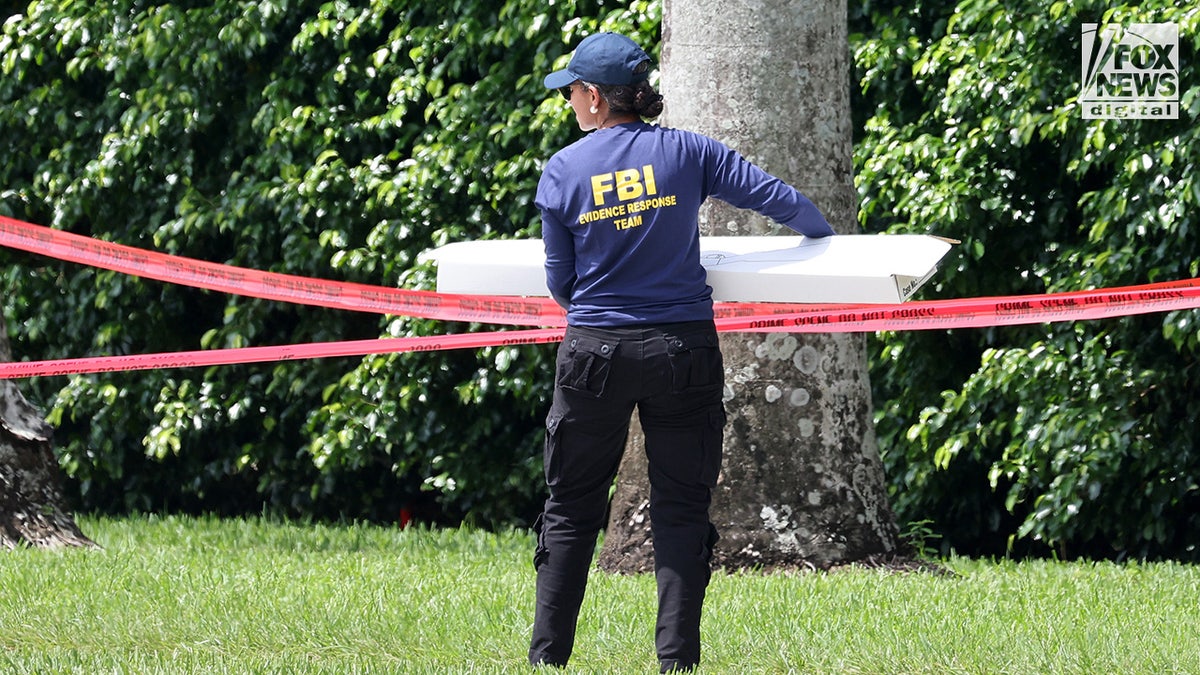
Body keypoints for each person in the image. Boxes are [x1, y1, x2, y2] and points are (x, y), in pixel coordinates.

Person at [529, 31, 836, 673]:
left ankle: (547, 659)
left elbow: (561, 284)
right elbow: (782, 202)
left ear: (592, 98)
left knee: (571, 506)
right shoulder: (689, 151)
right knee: (681, 506)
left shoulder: (563, 170)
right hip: (684, 352)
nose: (570, 106)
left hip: (595, 353)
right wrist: (826, 238)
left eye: (573, 94)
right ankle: (676, 662)